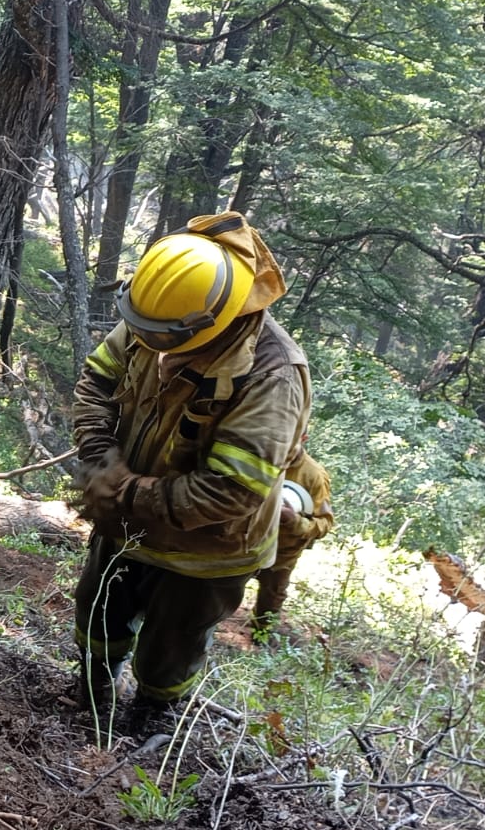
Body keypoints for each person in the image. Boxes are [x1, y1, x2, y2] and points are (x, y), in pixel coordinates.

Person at [72, 212, 311, 727]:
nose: (150, 348)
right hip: (125, 527)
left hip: (208, 552)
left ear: (211, 324)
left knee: (170, 651)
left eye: (161, 339)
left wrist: (124, 493)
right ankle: (90, 694)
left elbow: (231, 491)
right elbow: (96, 383)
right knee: (98, 615)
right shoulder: (160, 313)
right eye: (140, 330)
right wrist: (98, 456)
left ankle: (151, 718)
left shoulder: (273, 375)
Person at [249, 435, 334, 640]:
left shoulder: (313, 475)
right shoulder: (261, 458)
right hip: (247, 544)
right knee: (223, 587)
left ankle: (261, 635)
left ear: (303, 438)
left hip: (282, 553)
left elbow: (325, 523)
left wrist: (294, 521)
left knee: (272, 596)